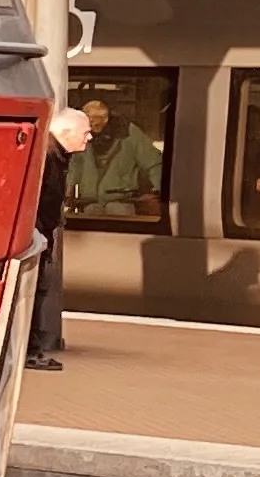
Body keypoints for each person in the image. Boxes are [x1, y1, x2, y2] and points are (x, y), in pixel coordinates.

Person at [28, 102, 93, 371]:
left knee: (36, 293)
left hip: (40, 235)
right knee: (34, 294)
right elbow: (38, 199)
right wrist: (37, 233)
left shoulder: (55, 155)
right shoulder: (47, 157)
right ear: (67, 132)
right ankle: (31, 352)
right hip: (36, 237)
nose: (89, 137)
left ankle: (31, 349)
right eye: (86, 132)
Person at [71, 97, 165, 225]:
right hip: (89, 203)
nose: (92, 125)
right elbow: (74, 164)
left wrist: (165, 196)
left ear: (105, 119)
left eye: (94, 121)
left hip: (121, 203)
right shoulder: (83, 134)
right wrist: (66, 190)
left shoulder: (129, 133)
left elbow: (153, 162)